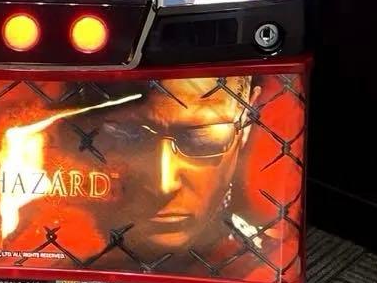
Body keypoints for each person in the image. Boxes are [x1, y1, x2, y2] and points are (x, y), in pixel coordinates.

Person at [96, 75, 260, 259]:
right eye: (131, 137)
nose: (164, 186)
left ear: (247, 119)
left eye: (200, 139)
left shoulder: (263, 260)